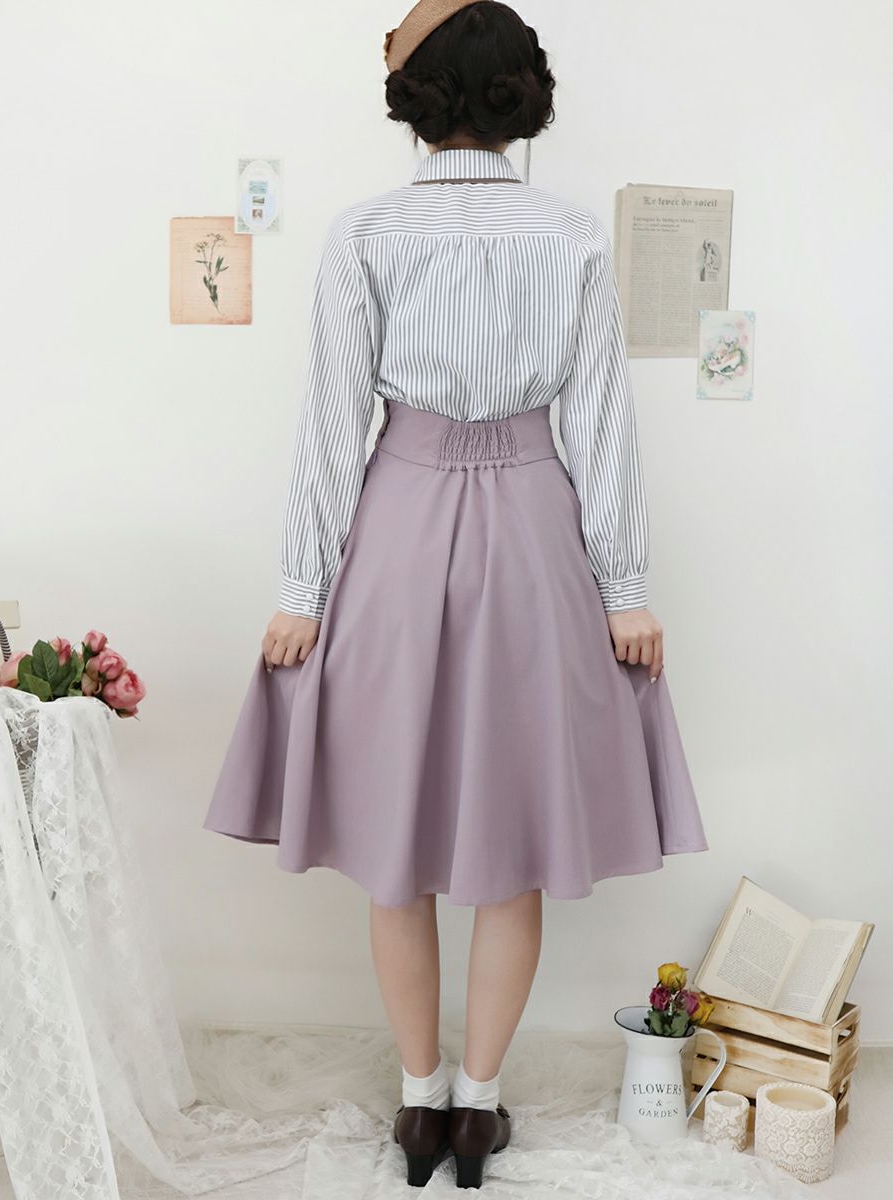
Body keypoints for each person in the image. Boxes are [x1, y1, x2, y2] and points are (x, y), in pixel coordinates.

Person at [203, 0, 709, 1188]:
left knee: (400, 841)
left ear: (416, 96)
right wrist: (625, 590)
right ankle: (479, 1108)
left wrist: (301, 591)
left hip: (398, 524)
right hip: (534, 531)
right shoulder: (569, 236)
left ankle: (418, 1100)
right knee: (509, 838)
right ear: (519, 93)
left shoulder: (364, 234)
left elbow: (331, 428)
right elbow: (601, 425)